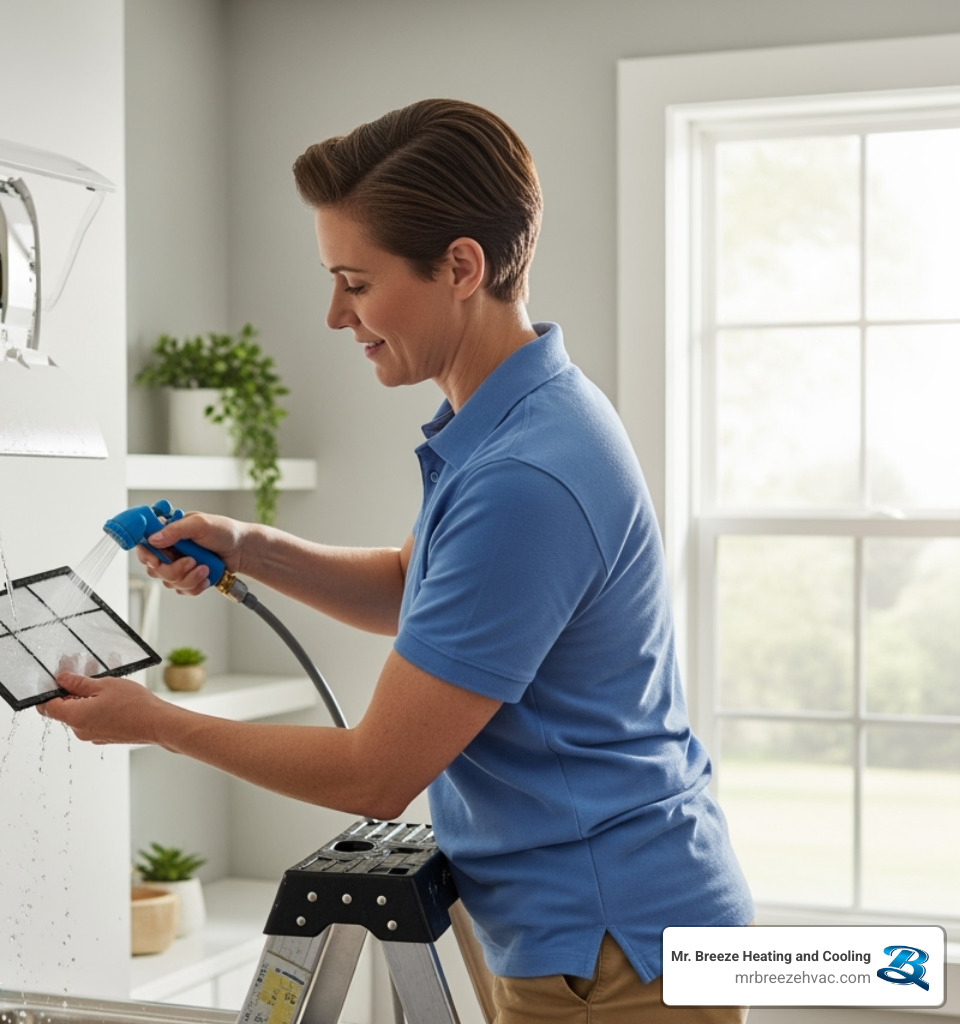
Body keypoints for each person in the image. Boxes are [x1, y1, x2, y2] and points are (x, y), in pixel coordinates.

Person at [40, 99, 753, 1024]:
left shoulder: (526, 476)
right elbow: (417, 591)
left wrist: (158, 723)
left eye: (356, 282)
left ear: (462, 266)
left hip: (609, 948)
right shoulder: (519, 416)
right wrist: (247, 546)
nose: (336, 314)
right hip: (605, 924)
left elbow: (375, 775)